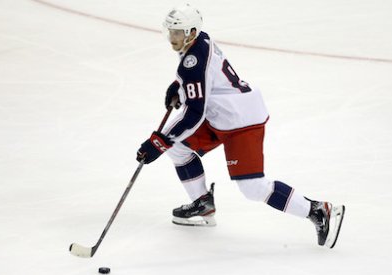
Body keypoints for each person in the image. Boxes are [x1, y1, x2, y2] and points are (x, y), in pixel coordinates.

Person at [136, 3, 345, 248]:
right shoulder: (201, 40)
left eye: (178, 32)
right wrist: (180, 85)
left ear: (192, 32)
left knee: (253, 188)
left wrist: (158, 142)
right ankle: (203, 203)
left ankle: (318, 210)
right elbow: (205, 77)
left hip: (242, 121)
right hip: (222, 114)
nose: (172, 37)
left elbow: (193, 114)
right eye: (170, 31)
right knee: (178, 147)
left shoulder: (192, 62)